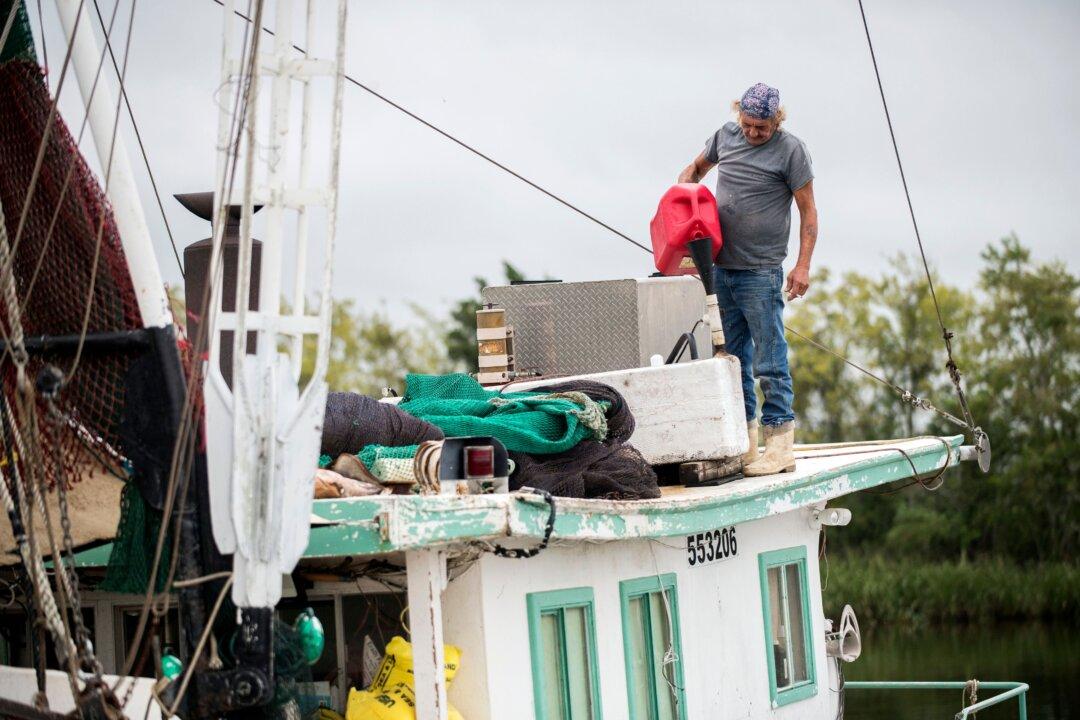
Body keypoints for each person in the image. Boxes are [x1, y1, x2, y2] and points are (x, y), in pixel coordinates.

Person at [677, 83, 817, 476]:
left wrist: (803, 265)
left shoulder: (792, 150)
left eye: (764, 127)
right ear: (740, 115)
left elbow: (809, 212)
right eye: (750, 125)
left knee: (770, 360)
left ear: (778, 120)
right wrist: (683, 198)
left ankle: (780, 445)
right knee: (732, 359)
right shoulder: (726, 135)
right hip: (721, 268)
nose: (755, 133)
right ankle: (745, 444)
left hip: (762, 270)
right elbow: (694, 171)